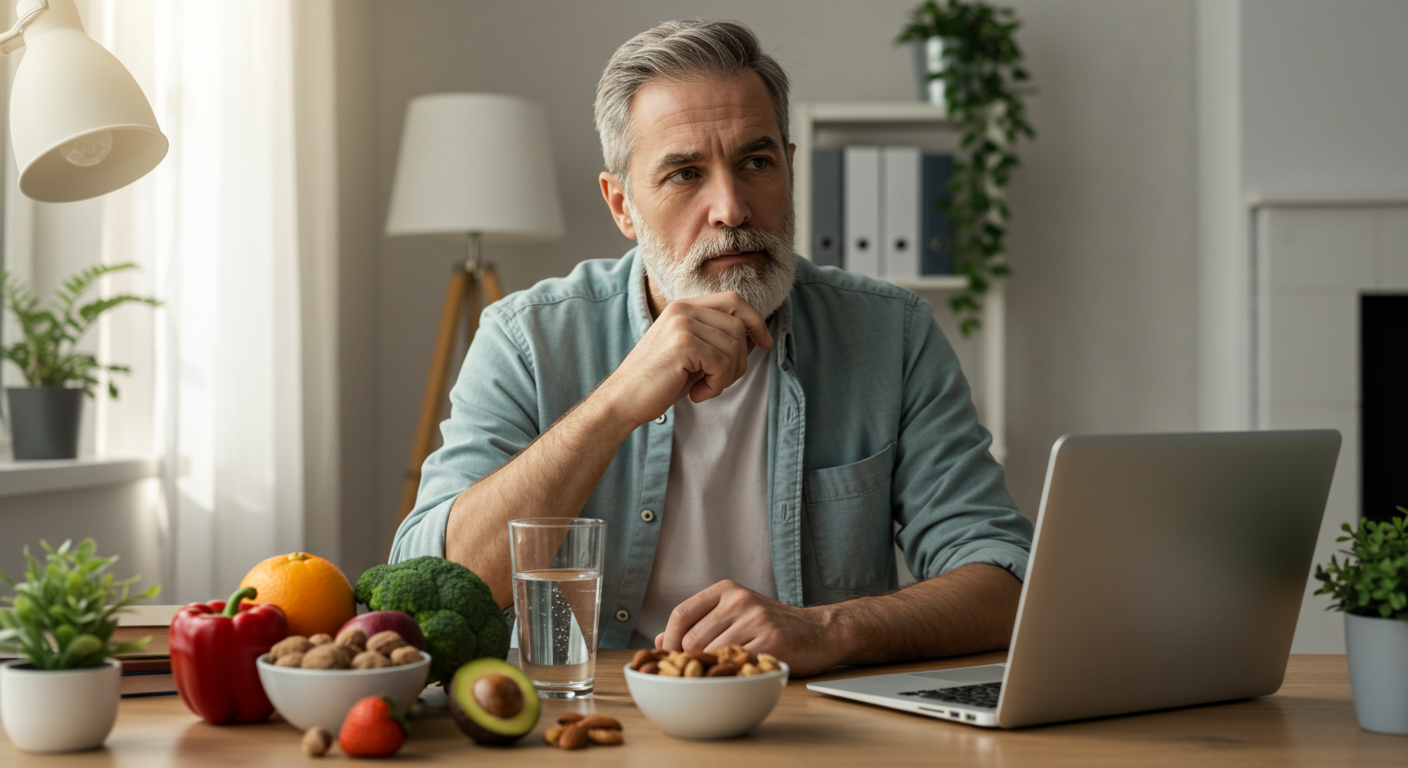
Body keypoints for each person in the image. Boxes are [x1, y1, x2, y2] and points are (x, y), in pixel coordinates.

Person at [391, 20, 1033, 677]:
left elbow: (1006, 582)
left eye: (756, 163)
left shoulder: (892, 336)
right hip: (591, 718)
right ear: (622, 206)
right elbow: (428, 585)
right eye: (684, 174)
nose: (731, 207)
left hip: (820, 723)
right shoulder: (527, 337)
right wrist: (613, 407)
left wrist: (825, 629)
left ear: (789, 167)